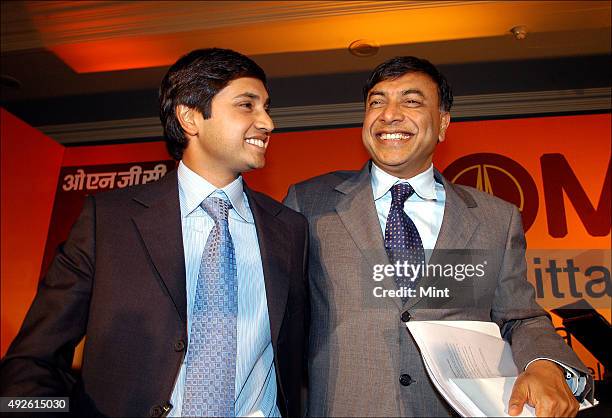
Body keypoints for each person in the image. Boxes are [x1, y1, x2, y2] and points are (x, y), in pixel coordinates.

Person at [1, 48, 309, 418]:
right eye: (247, 105)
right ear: (190, 117)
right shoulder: (109, 221)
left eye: (266, 107)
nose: (268, 123)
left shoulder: (290, 229)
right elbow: (31, 361)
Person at [284, 56, 592, 417]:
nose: (389, 114)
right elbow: (281, 317)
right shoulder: (308, 202)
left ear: (443, 123)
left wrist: (546, 365)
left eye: (411, 101)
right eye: (377, 102)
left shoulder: (495, 218)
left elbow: (520, 317)